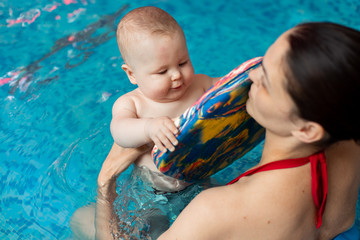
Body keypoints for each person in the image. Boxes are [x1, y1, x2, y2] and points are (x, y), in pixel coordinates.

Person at [95, 21, 360, 239]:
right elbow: (339, 224)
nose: (251, 76)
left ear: (308, 129)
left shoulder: (213, 211)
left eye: (265, 80)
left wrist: (105, 185)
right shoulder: (348, 142)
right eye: (261, 64)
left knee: (80, 218)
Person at [110, 6, 219, 193]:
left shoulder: (200, 84)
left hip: (200, 177)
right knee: (155, 222)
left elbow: (230, 87)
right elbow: (119, 131)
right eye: (162, 71)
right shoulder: (133, 104)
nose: (177, 75)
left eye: (182, 62)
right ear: (132, 74)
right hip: (154, 191)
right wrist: (148, 128)